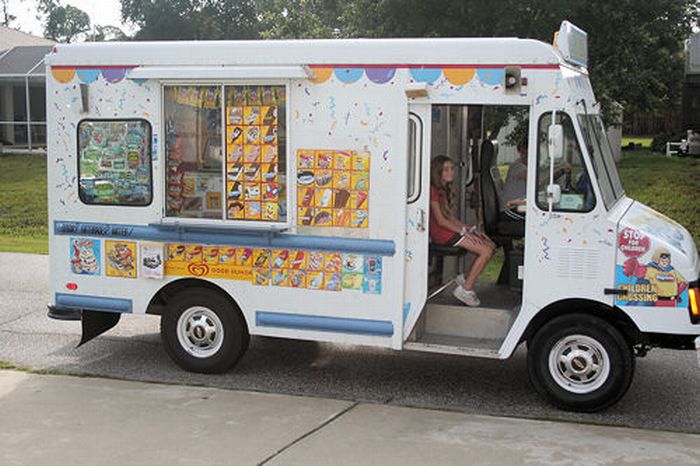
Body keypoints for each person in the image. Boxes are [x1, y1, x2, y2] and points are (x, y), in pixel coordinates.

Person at [429, 155, 496, 306]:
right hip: (442, 234)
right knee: (485, 252)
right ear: (438, 172)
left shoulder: (444, 189)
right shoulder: (433, 191)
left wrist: (469, 229)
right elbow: (441, 221)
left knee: (490, 245)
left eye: (452, 168)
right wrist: (462, 233)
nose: (451, 172)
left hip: (449, 230)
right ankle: (465, 290)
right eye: (446, 169)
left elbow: (450, 218)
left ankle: (466, 277)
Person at [500, 137, 528, 212]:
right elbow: (536, 178)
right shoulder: (517, 166)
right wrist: (560, 169)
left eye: (527, 153)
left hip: (521, 206)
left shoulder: (528, 166)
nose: (524, 156)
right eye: (522, 153)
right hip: (510, 209)